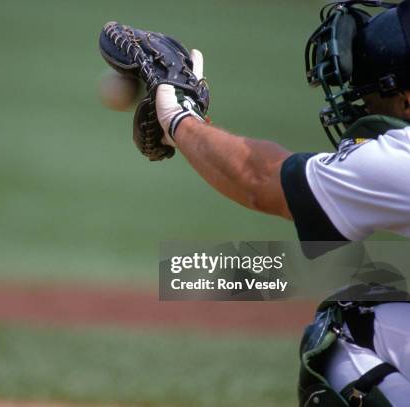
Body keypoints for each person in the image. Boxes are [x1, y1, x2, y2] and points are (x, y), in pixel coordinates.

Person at [151, 1, 410, 406]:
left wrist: (179, 118)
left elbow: (259, 179)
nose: (362, 107)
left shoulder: (401, 157)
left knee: (347, 328)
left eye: (371, 95)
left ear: (406, 99)